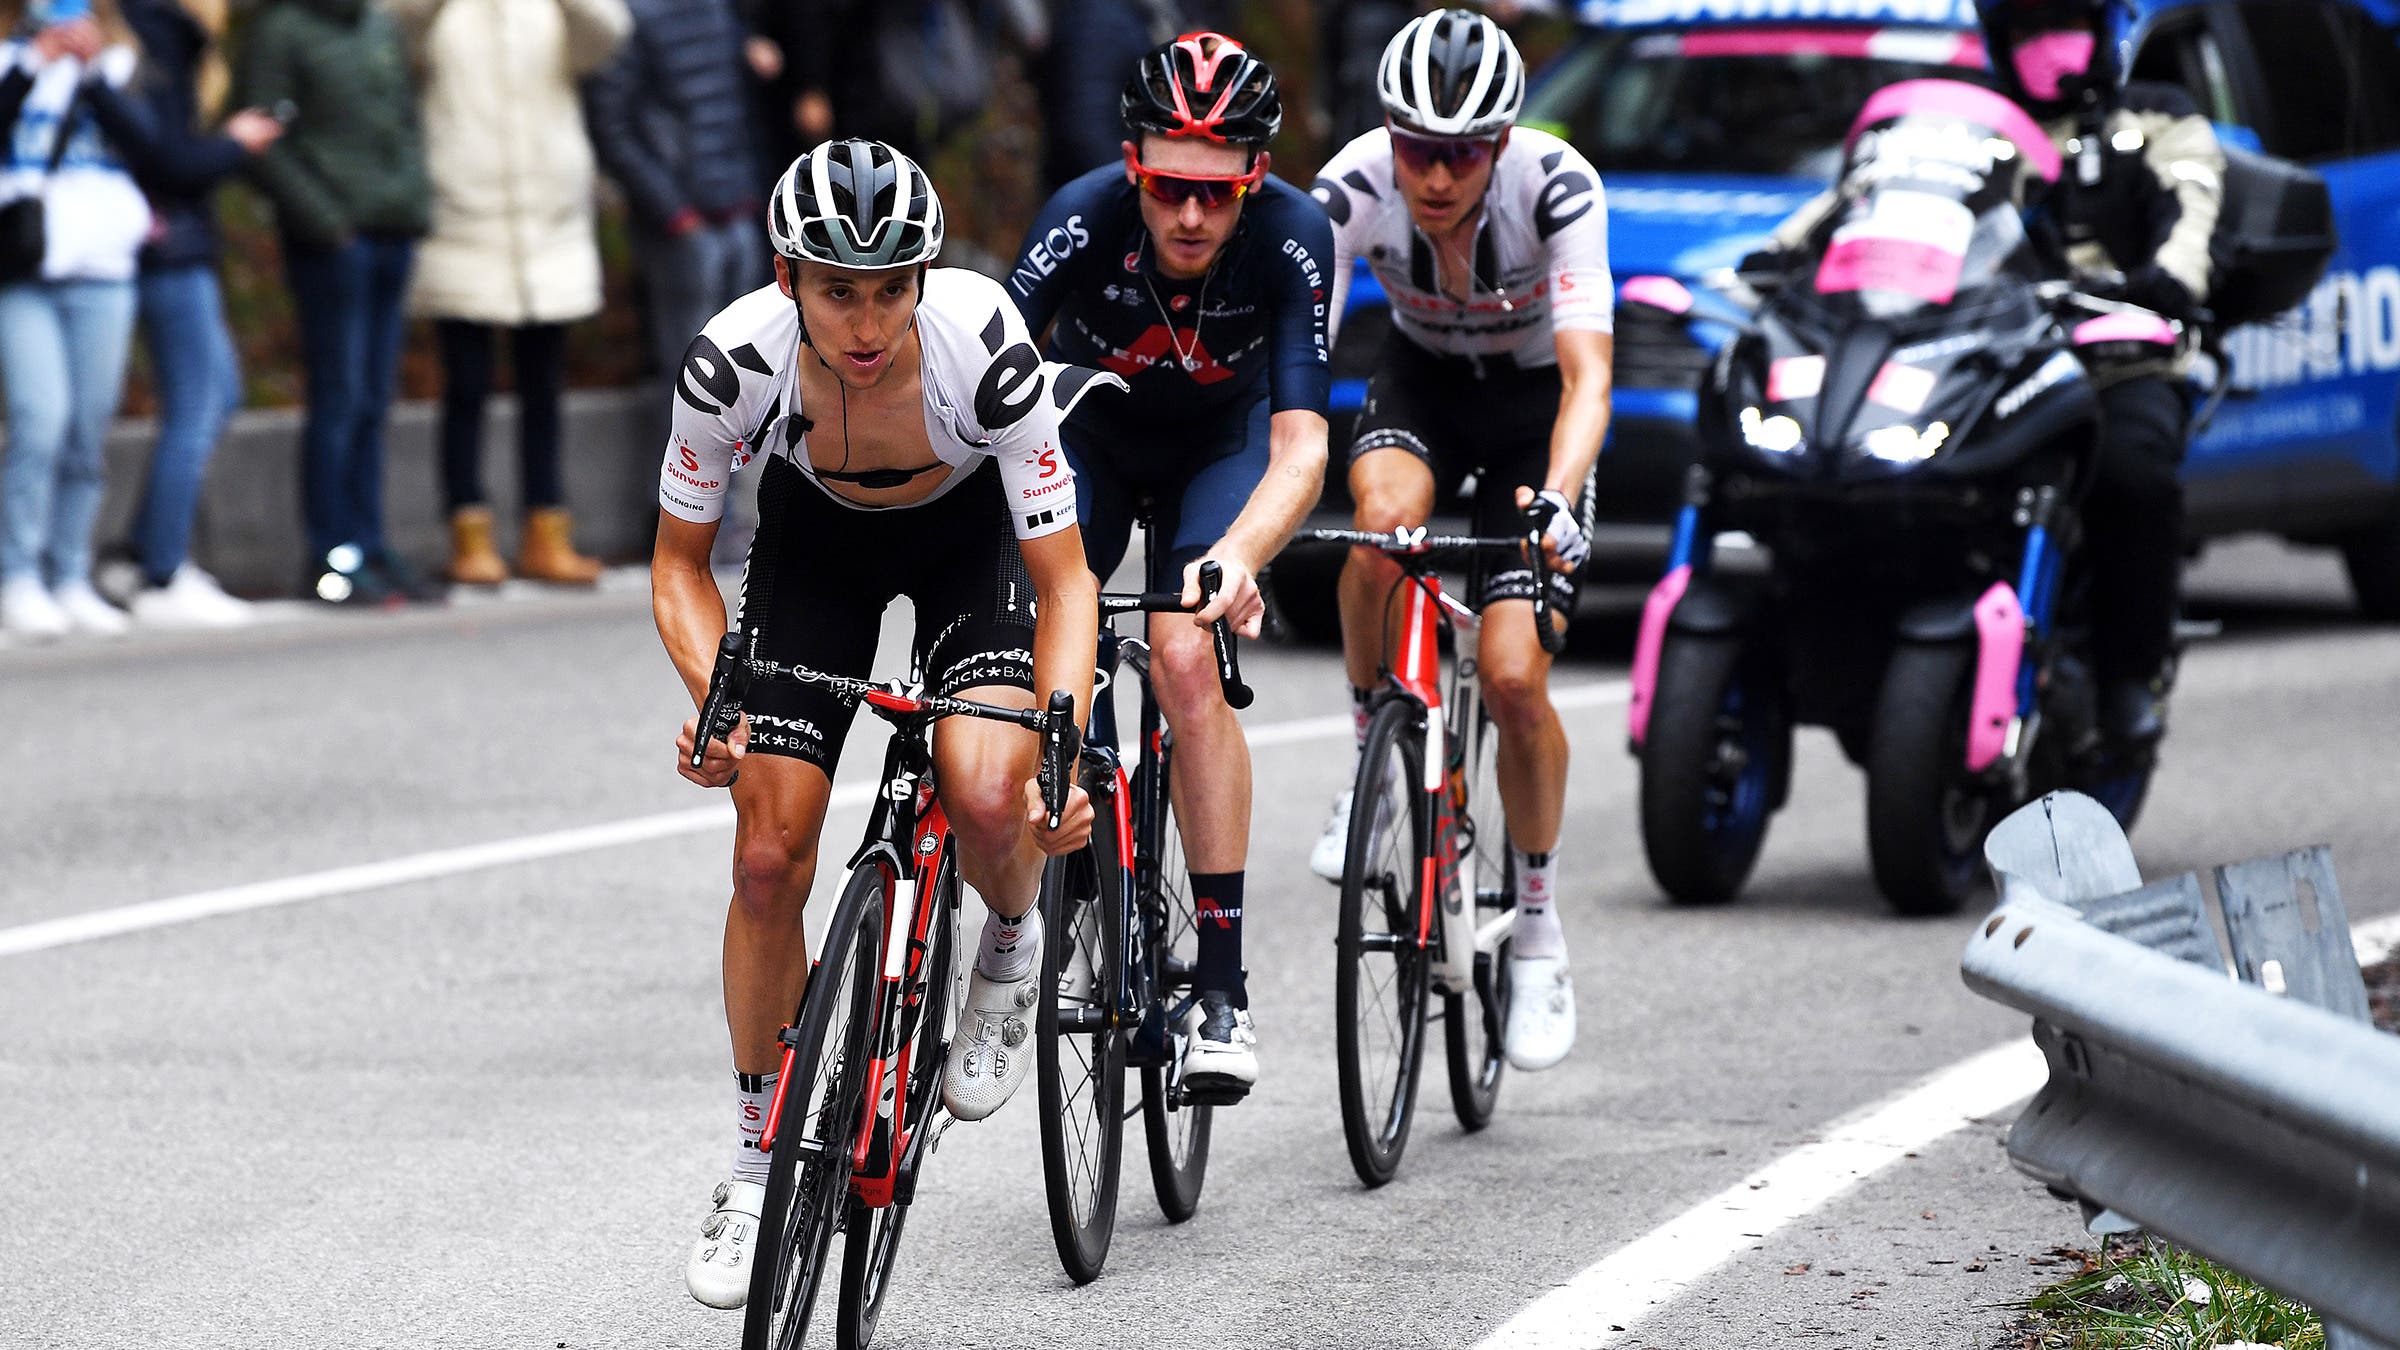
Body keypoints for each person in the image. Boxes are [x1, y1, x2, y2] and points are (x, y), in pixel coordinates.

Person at [654, 139, 1113, 1309]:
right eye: (837, 291)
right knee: (767, 852)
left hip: (971, 546)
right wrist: (724, 701)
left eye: (890, 289)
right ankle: (759, 1160)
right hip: (816, 550)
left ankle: (1011, 940)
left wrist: (1059, 746)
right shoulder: (731, 365)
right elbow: (678, 570)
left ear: (923, 279)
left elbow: (1066, 585)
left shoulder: (987, 352)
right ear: (787, 278)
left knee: (984, 785)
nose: (866, 322)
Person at [1753, 0, 2219, 752]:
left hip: (2117, 347)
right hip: (1988, 347)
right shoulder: (1968, 120)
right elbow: (1861, 197)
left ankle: (2132, 677)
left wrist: (2169, 278)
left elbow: (2194, 208)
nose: (2047, 46)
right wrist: (1780, 256)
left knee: (2133, 476)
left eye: (2060, 24)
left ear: (2104, 31)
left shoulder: (2161, 118)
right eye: (2027, 31)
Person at [1005, 31, 1330, 1098]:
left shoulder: (1292, 239)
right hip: (1089, 440)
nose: (1193, 218)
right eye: (1170, 190)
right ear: (1135, 170)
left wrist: (1238, 558)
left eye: (1219, 195)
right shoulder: (1080, 218)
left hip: (1218, 450)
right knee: (1061, 640)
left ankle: (1224, 989)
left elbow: (1302, 445)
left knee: (1186, 657)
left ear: (1257, 180)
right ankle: (1088, 875)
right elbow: (989, 384)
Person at [1307, 7, 1614, 1072]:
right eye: (1417, 150)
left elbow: (1588, 376)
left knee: (1514, 672)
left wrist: (1561, 498)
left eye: (1461, 153)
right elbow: (1300, 352)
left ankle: (1537, 927)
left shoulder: (1558, 187)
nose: (1435, 177)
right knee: (1380, 528)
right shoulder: (1349, 186)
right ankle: (1370, 759)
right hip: (1425, 380)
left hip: (1535, 408)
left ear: (1500, 143)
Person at [392, 0, 631, 588]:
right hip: (462, 218)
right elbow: (399, 34)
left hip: (546, 223)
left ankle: (545, 531)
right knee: (467, 386)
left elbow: (608, 38)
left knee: (544, 387)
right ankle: (468, 533)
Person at [82, 0, 279, 628]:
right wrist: (234, 145)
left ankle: (137, 553)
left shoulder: (168, 38)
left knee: (216, 394)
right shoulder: (151, 38)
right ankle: (159, 571)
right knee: (197, 403)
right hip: (161, 246)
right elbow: (167, 161)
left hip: (172, 243)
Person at [236, 0, 435, 605]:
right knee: (339, 396)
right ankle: (332, 556)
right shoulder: (280, 29)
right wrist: (325, 221)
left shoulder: (378, 23)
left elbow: (401, 121)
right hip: (331, 242)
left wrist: (412, 201)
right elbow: (258, 138)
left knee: (374, 399)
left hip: (390, 229)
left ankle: (370, 545)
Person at [0, 1, 152, 640]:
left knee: (88, 430)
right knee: (40, 419)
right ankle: (18, 576)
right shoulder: (10, 62)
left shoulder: (122, 66)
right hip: (21, 270)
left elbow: (156, 150)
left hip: (104, 268)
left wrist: (90, 76)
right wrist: (33, 66)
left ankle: (70, 573)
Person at [581, 0, 762, 381]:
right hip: (682, 223)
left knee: (748, 371)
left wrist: (747, 196)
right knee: (692, 374)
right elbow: (611, 125)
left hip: (737, 211)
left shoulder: (718, 9)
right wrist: (673, 211)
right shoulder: (632, 17)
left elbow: (738, 104)